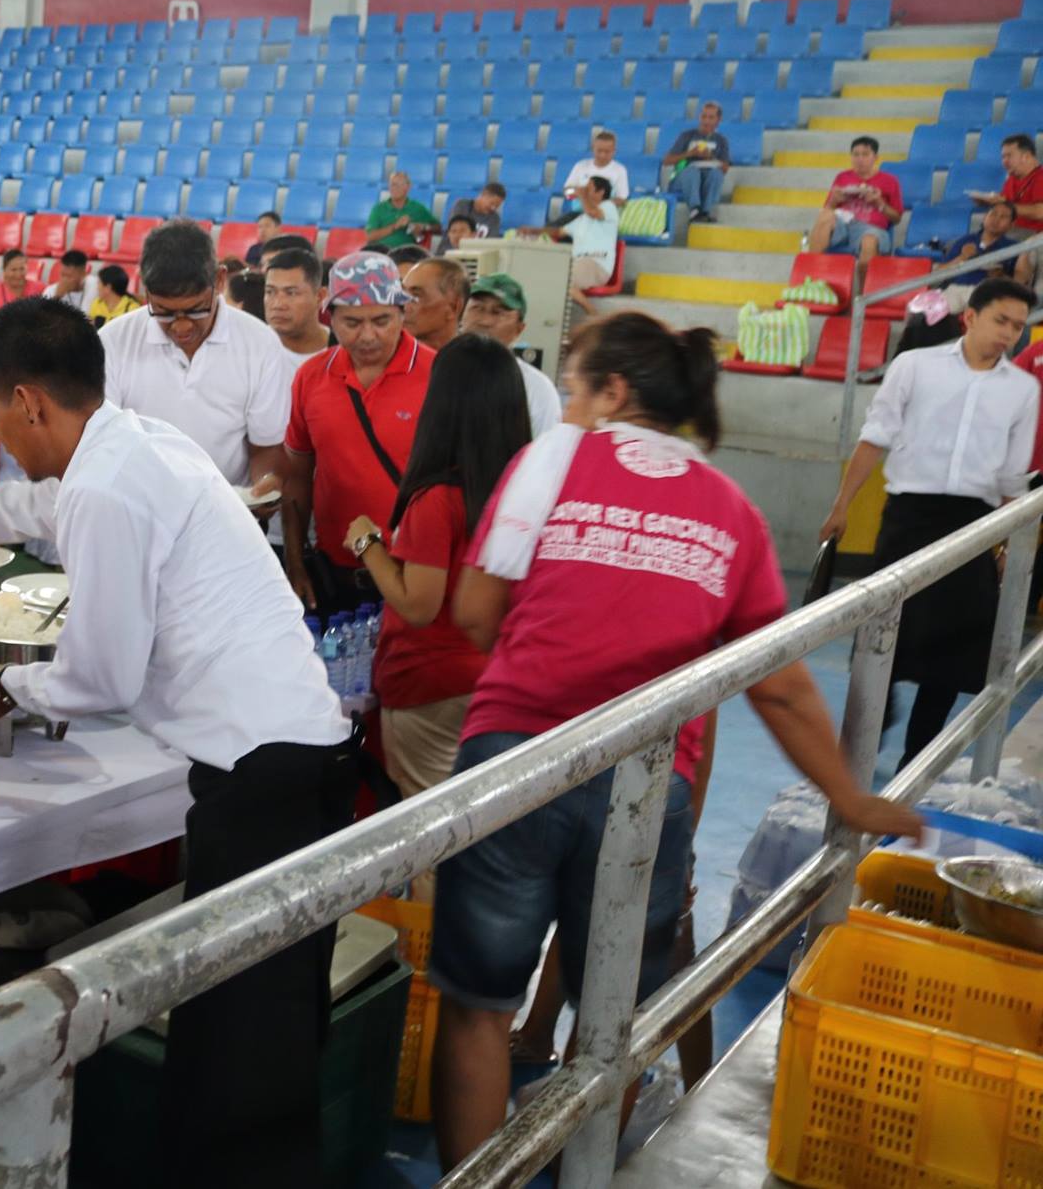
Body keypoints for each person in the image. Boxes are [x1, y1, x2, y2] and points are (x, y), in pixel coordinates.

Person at [431, 312, 924, 1173]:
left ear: (612, 391)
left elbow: (476, 613)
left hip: (518, 756)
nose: (568, 405)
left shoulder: (549, 461)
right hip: (647, 786)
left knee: (478, 1005)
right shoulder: (731, 509)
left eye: (576, 387)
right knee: (613, 1022)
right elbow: (777, 681)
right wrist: (851, 797)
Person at [0, 298, 356, 1189]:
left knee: (240, 1055)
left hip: (262, 783)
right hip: (299, 760)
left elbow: (101, 679)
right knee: (271, 1032)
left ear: (30, 402)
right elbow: (26, 504)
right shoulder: (137, 443)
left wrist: (0, 685)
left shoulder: (105, 485)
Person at [819, 277, 1040, 764]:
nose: (1009, 334)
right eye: (1001, 321)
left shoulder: (1023, 390)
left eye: (1018, 327)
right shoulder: (914, 366)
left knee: (955, 654)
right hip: (908, 519)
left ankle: (916, 761)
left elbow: (1012, 476)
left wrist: (1008, 545)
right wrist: (841, 506)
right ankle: (862, 744)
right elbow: (875, 436)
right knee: (881, 638)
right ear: (970, 317)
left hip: (974, 527)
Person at [349, 335, 530, 799]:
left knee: (433, 822)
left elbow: (419, 606)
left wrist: (368, 543)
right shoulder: (523, 486)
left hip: (431, 683)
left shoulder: (438, 499)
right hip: (496, 674)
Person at [282, 251, 435, 616]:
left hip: (413, 575)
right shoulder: (311, 377)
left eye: (382, 320)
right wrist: (294, 561)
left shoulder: (439, 375)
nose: (368, 336)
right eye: (352, 322)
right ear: (330, 318)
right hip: (334, 573)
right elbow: (297, 477)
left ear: (402, 313)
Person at [101, 220, 293, 491]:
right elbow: (103, 443)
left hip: (226, 505)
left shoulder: (260, 344)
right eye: (164, 312)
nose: (181, 327)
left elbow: (266, 447)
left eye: (196, 310)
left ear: (220, 280)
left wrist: (263, 488)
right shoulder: (113, 342)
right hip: (137, 504)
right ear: (145, 289)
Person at [459, 273, 563, 436]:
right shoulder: (436, 369)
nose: (485, 321)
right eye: (477, 308)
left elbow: (545, 447)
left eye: (498, 312)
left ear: (519, 329)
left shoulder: (536, 388)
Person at [806, 135, 903, 271]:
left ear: (875, 157)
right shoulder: (842, 177)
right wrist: (834, 200)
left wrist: (879, 204)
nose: (860, 159)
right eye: (856, 155)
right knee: (825, 216)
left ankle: (864, 285)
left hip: (871, 228)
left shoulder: (890, 181)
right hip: (844, 225)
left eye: (865, 154)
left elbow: (897, 218)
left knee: (869, 242)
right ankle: (811, 273)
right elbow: (828, 208)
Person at [535, 174, 617, 311]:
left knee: (562, 280)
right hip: (577, 262)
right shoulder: (582, 219)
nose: (584, 190)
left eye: (588, 188)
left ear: (601, 192)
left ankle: (593, 312)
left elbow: (593, 212)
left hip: (597, 263)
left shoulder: (609, 207)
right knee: (544, 276)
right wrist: (533, 231)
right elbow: (559, 232)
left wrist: (582, 195)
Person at [663, 102, 732, 223]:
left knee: (716, 174)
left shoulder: (721, 140)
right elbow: (667, 161)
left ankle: (705, 211)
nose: (706, 121)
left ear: (718, 120)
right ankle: (694, 209)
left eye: (711, 117)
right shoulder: (686, 136)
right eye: (703, 116)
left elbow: (725, 168)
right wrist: (690, 153)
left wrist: (711, 157)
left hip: (706, 177)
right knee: (692, 171)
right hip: (683, 178)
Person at [263, 248, 330, 361]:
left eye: (291, 293)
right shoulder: (249, 347)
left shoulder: (344, 349)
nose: (278, 304)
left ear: (320, 297)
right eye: (270, 292)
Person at [401, 257, 469, 350]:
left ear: (453, 307)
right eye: (403, 294)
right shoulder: (386, 355)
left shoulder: (474, 358)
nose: (404, 306)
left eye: (416, 296)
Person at [366, 171, 439, 250]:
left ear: (408, 187)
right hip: (381, 251)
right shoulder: (379, 209)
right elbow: (370, 237)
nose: (394, 188)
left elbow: (438, 228)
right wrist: (395, 226)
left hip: (405, 252)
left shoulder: (417, 208)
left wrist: (423, 227)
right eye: (392, 184)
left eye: (398, 185)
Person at [564, 129, 630, 207]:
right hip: (579, 211)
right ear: (593, 148)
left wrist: (599, 205)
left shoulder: (620, 170)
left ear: (614, 151)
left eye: (607, 152)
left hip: (605, 212)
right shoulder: (580, 166)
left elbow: (622, 199)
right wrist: (578, 193)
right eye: (599, 151)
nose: (602, 155)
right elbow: (567, 193)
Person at [0, 249, 43, 319]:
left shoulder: (40, 289)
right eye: (13, 270)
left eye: (22, 269)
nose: (18, 274)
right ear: (4, 271)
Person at [47, 248, 98, 312]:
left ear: (83, 274)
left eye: (69, 276)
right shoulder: (51, 290)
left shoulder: (95, 285)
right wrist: (57, 297)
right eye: (62, 275)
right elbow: (41, 314)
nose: (64, 280)